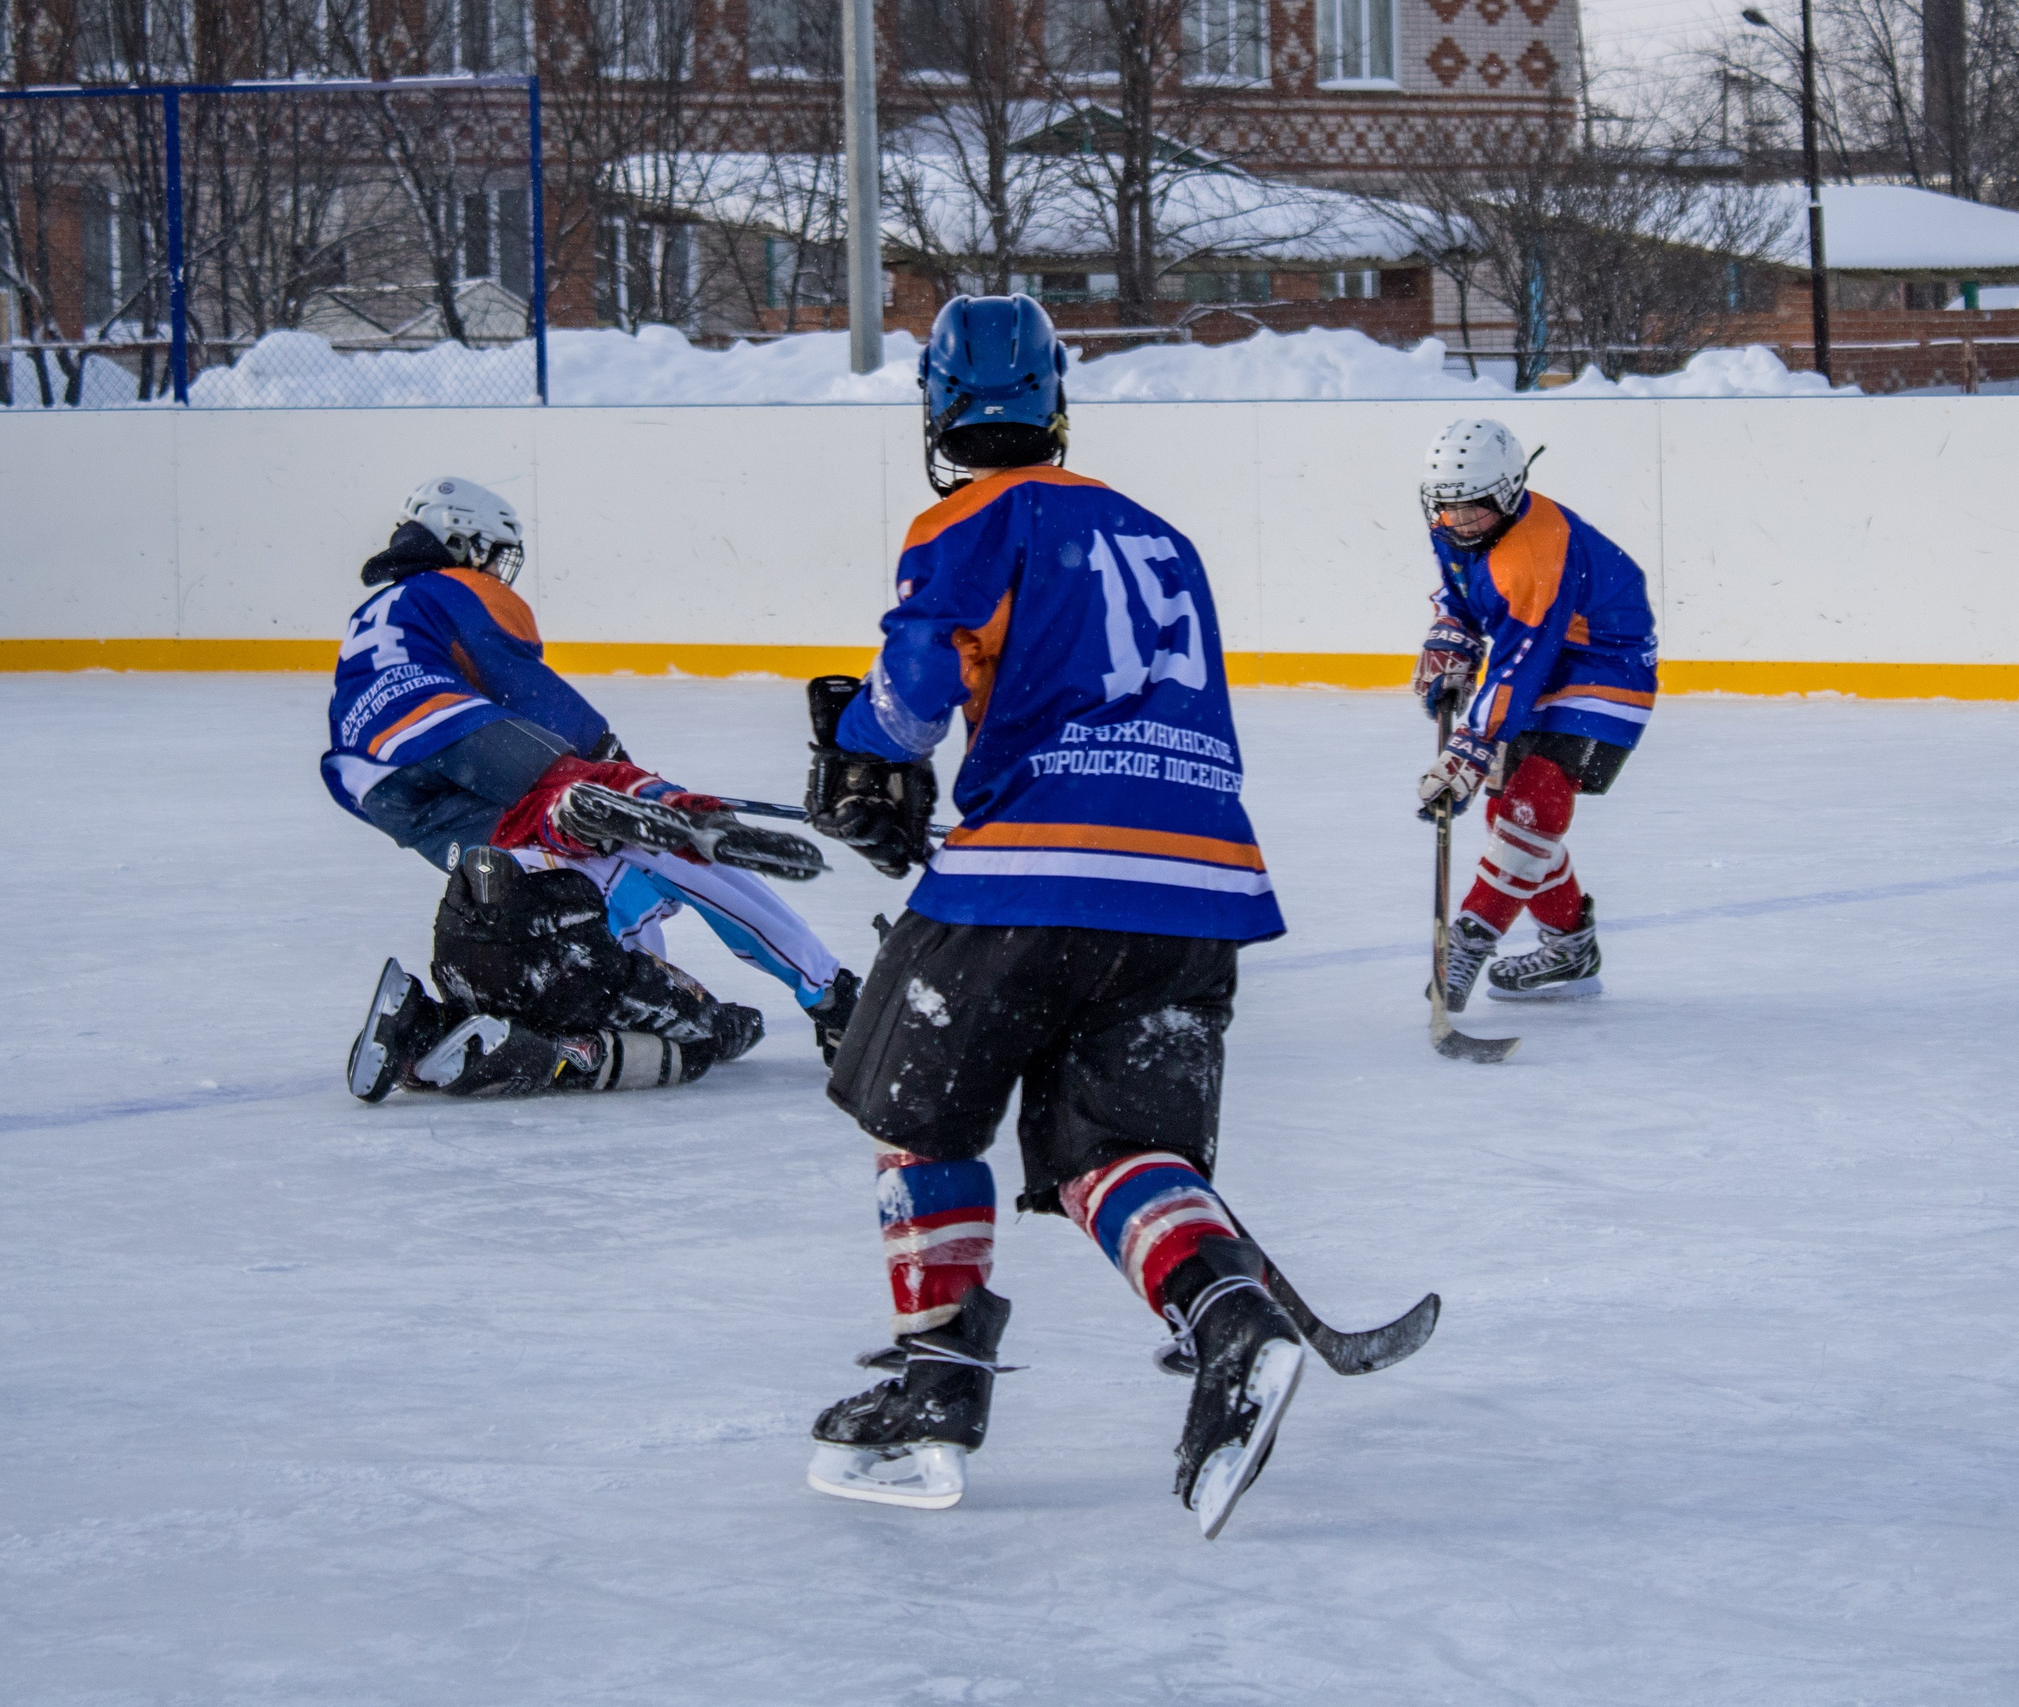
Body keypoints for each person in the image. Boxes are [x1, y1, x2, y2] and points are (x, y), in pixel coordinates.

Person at [797, 295, 1302, 1540]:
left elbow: (913, 702)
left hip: (1030, 873)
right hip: (1198, 886)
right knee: (1108, 1154)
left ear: (937, 410)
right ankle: (1227, 1323)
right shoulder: (1160, 535)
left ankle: (936, 1386)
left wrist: (859, 746)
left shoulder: (964, 519)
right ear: (1054, 401)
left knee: (912, 1107)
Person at [323, 476, 859, 1099]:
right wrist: (623, 770)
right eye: (493, 551)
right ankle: (579, 1040)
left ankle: (425, 1029)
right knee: (686, 1019)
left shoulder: (376, 608)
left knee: (525, 832)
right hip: (451, 736)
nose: (500, 569)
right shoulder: (461, 586)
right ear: (463, 540)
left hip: (371, 780)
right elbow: (526, 689)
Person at [1411, 419, 1658, 1009]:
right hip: (1541, 650)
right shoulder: (1452, 522)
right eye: (1448, 508)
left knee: (1535, 802)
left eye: (1474, 509)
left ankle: (1472, 937)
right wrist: (1453, 631)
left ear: (1509, 491)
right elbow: (1464, 593)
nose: (1460, 522)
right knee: (1506, 814)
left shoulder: (1535, 553)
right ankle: (1571, 947)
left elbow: (1520, 667)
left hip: (1604, 659)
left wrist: (1469, 749)